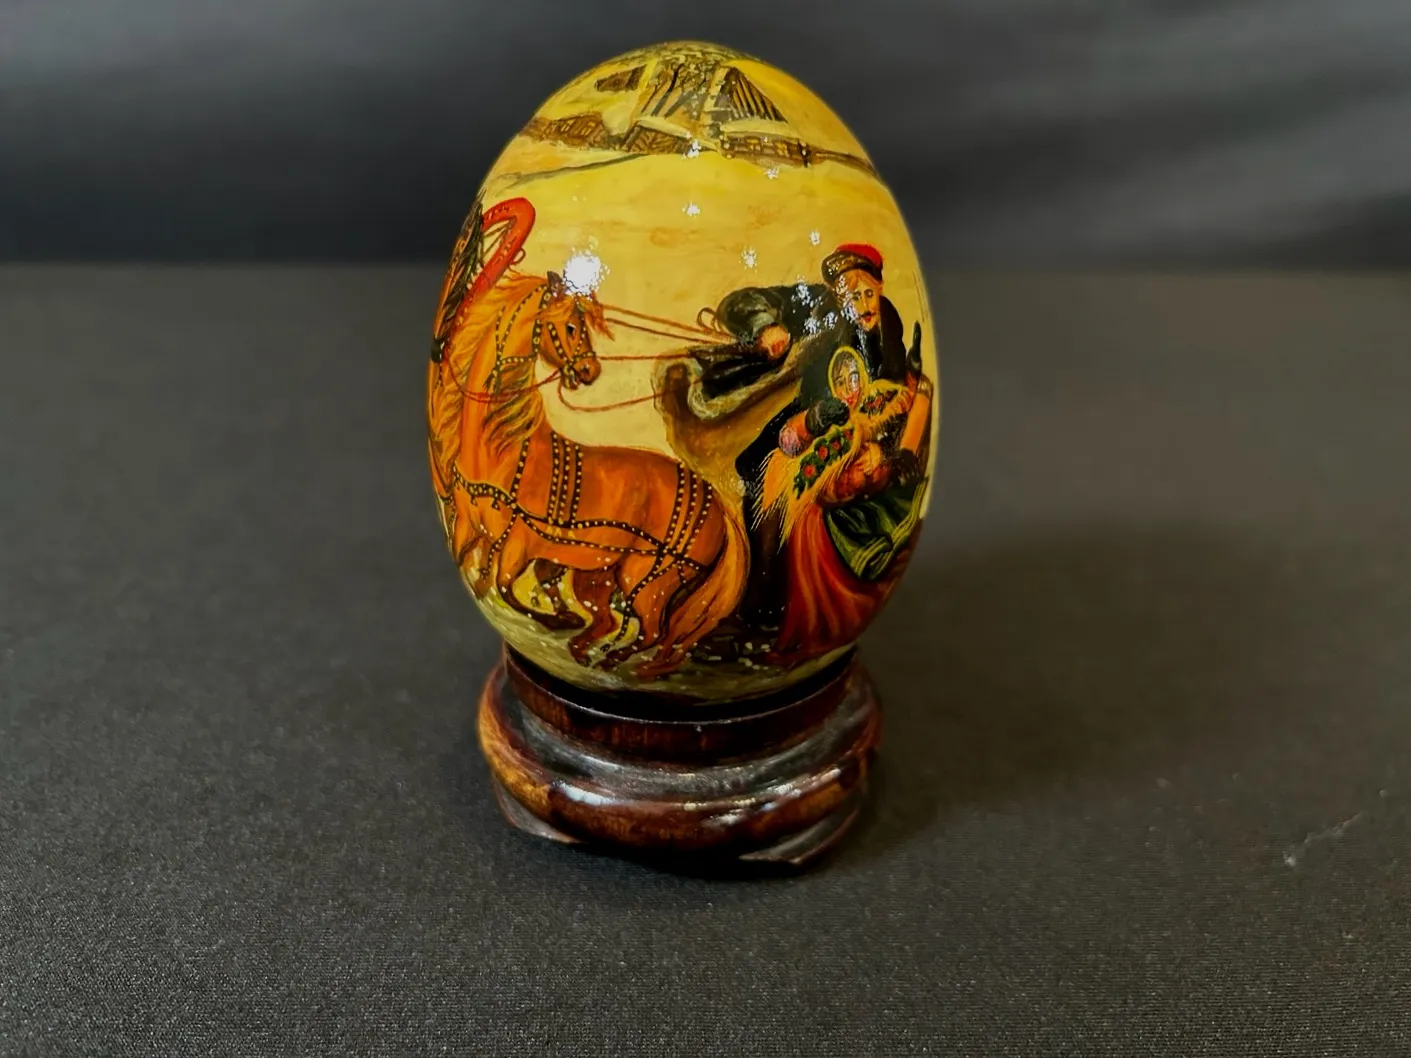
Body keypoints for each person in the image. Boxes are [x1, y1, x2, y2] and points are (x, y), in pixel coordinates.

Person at [702, 244, 922, 628]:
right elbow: (741, 303)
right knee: (762, 475)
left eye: (868, 293)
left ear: (880, 287)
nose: (863, 306)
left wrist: (884, 444)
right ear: (837, 295)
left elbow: (893, 387)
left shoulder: (889, 322)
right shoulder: (817, 305)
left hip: (865, 430)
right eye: (852, 297)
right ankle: (761, 600)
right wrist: (766, 327)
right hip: (811, 416)